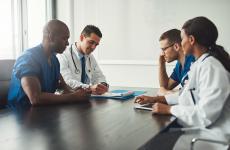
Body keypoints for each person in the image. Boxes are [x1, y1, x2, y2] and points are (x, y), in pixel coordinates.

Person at [136, 17, 230, 149]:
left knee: (148, 145)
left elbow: (205, 116)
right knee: (151, 140)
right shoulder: (201, 64)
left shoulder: (211, 67)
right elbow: (187, 95)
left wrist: (169, 109)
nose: (180, 43)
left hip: (211, 136)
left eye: (182, 38)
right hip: (199, 129)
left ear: (191, 40)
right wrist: (155, 98)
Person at [8, 19, 91, 107]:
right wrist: (73, 97)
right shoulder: (28, 58)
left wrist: (77, 92)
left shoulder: (54, 59)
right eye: (64, 38)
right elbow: (36, 98)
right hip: (19, 114)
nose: (67, 43)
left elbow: (64, 87)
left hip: (42, 112)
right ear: (51, 37)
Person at [57, 25, 109, 95]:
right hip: (67, 99)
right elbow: (67, 81)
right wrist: (89, 88)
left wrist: (103, 85)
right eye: (91, 42)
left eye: (96, 44)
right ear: (81, 38)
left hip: (83, 98)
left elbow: (98, 76)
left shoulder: (90, 57)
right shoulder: (63, 54)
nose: (93, 47)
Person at [158, 29, 195, 95]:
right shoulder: (179, 65)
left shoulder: (193, 61)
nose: (162, 53)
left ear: (176, 46)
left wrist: (167, 93)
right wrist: (161, 63)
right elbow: (165, 87)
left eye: (164, 49)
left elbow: (191, 94)